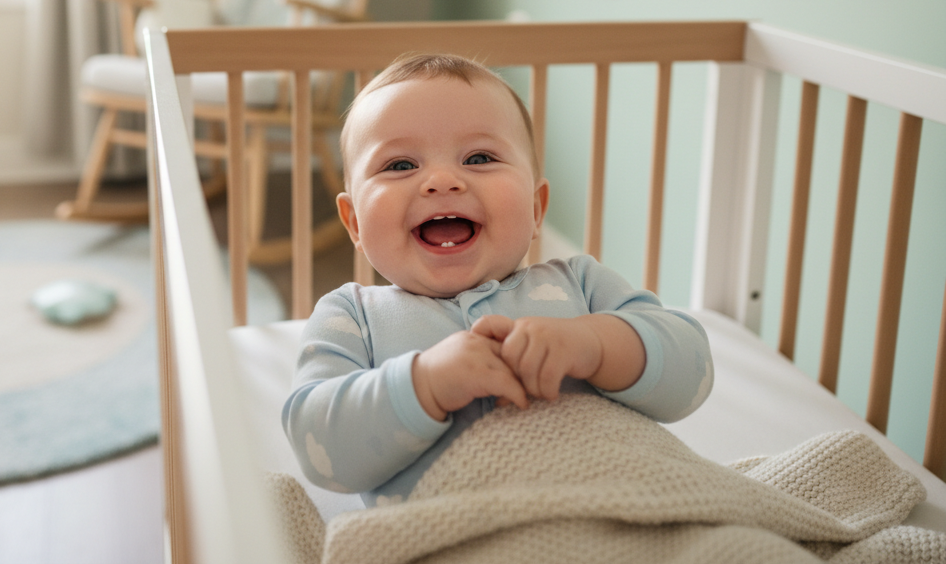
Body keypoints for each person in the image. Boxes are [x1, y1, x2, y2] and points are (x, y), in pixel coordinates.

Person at [282, 53, 713, 507]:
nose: (442, 181)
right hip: (453, 532)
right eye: (401, 165)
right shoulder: (353, 318)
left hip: (619, 510)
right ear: (354, 222)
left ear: (535, 208)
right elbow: (318, 445)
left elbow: (692, 372)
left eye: (479, 158)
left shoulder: (581, 284)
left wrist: (594, 344)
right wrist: (424, 384)